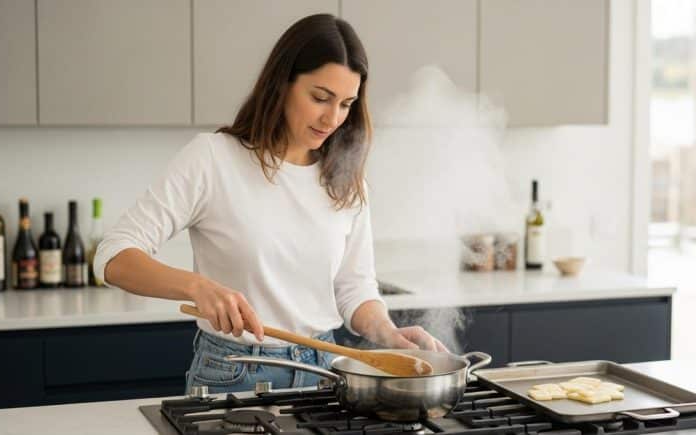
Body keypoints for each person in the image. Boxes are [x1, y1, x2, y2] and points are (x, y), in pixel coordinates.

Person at [94, 13, 446, 394]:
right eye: (320, 97)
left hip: (326, 375)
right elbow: (113, 257)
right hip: (237, 373)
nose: (333, 118)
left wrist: (387, 332)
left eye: (346, 104)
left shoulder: (345, 179)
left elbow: (353, 286)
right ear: (282, 84)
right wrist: (197, 287)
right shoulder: (213, 159)